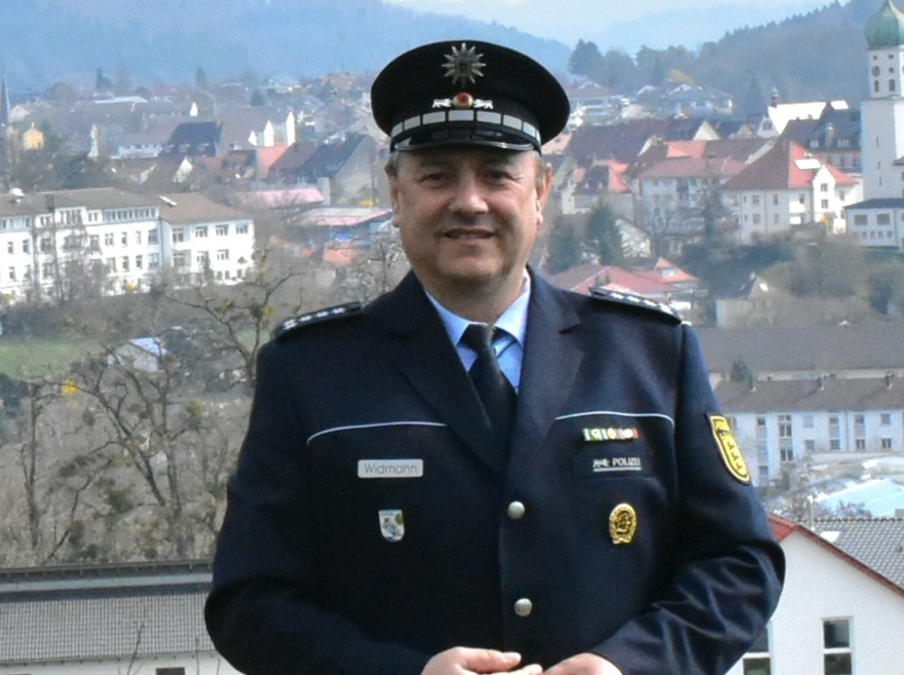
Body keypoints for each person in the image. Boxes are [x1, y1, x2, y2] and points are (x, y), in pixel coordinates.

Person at [205, 39, 784, 675]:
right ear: (395, 193)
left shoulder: (649, 355)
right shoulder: (311, 372)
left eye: (496, 173)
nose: (469, 201)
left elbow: (739, 562)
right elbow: (249, 601)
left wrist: (631, 667)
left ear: (541, 190)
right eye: (436, 175)